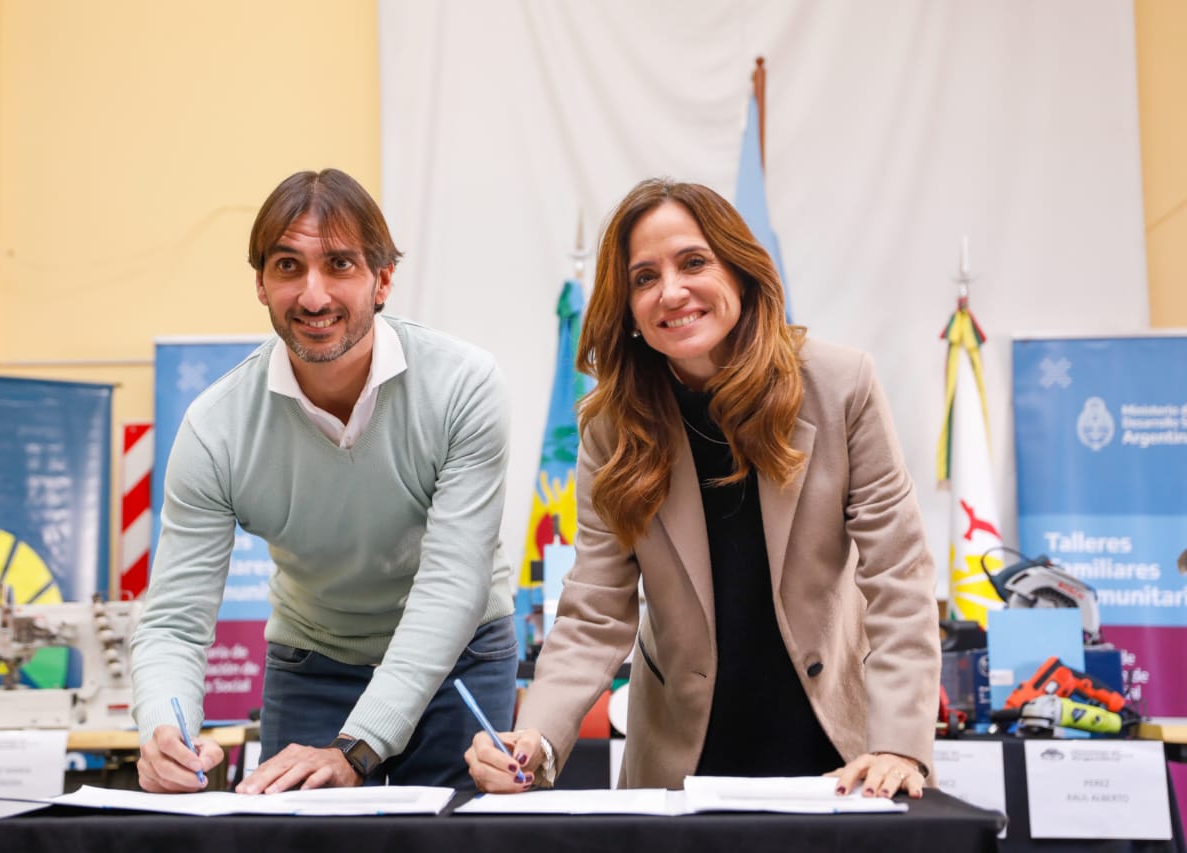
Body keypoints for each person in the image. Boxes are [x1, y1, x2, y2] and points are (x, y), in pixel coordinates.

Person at [466, 178, 940, 798]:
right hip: (682, 764)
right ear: (628, 309)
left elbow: (898, 576)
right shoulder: (611, 426)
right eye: (643, 277)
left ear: (741, 274)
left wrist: (899, 746)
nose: (671, 291)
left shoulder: (840, 385)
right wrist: (536, 738)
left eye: (693, 262)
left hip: (837, 754)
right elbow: (595, 610)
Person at [132, 168, 517, 794]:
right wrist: (163, 732)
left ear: (383, 279)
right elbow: (175, 620)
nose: (313, 296)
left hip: (461, 657)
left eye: (339, 264)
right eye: (288, 267)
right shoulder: (215, 428)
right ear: (260, 283)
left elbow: (452, 587)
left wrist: (357, 748)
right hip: (314, 663)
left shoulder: (463, 386)